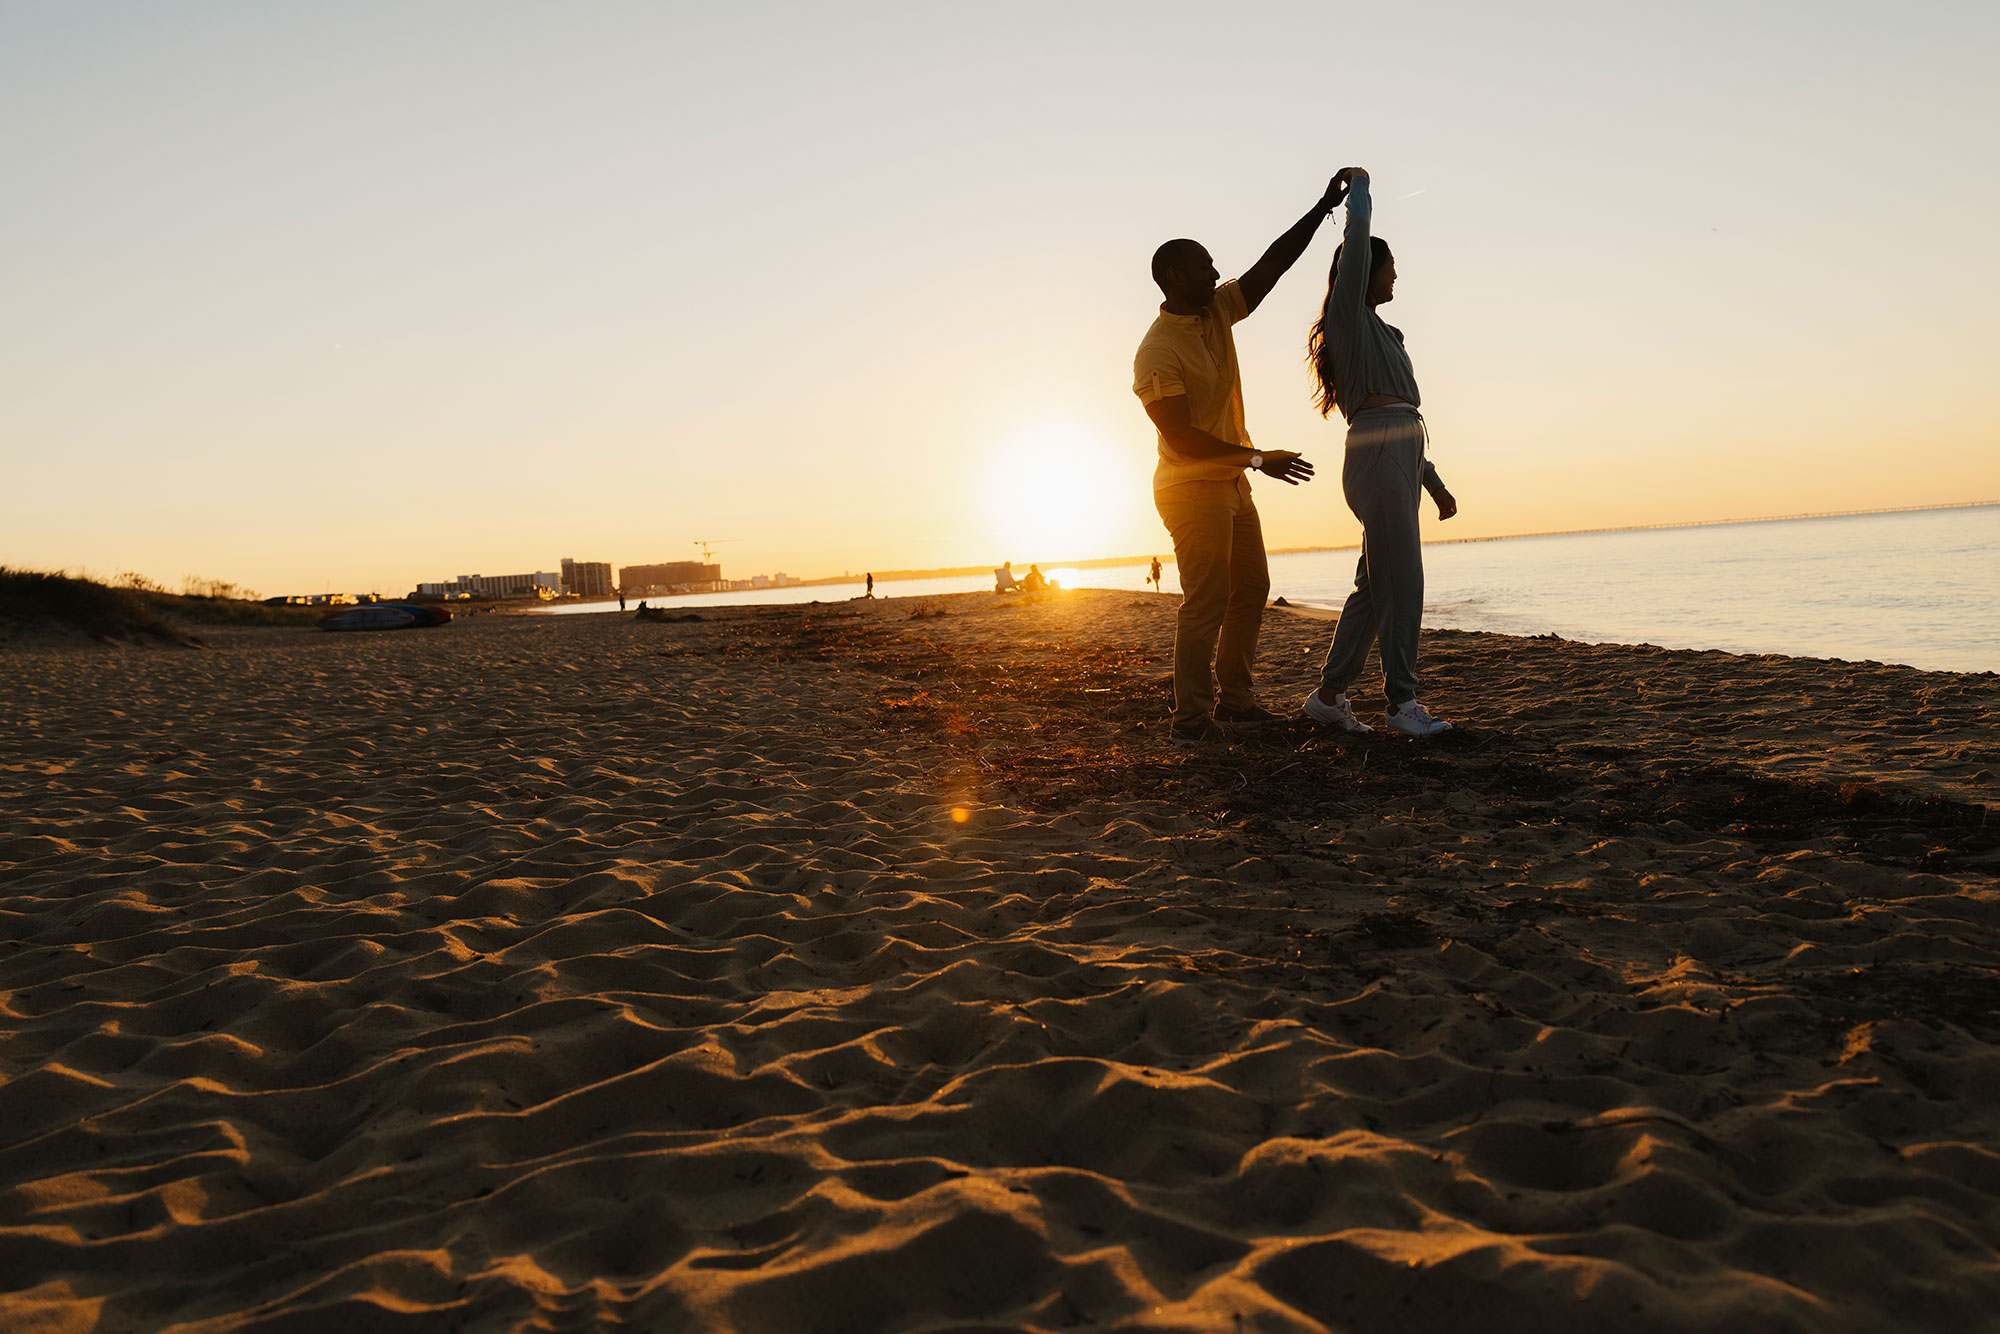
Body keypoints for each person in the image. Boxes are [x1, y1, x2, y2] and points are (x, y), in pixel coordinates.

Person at [1135, 176, 1339, 744]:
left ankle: (1237, 702)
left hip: (1231, 482)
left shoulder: (1217, 312)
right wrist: (1256, 459)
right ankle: (1191, 722)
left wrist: (1322, 206)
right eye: (1204, 266)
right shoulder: (1157, 350)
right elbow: (1181, 438)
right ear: (1174, 277)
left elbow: (1271, 266)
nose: (1215, 272)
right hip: (1189, 488)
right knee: (1206, 603)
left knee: (1251, 591)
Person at [1300, 167, 1459, 738]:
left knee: (1374, 589)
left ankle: (1328, 698)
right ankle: (1401, 705)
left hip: (1400, 455)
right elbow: (1358, 233)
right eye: (1389, 265)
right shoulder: (1347, 320)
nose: (1396, 274)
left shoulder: (1385, 333)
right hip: (1378, 456)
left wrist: (1434, 483)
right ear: (1366, 268)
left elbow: (1405, 418)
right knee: (1404, 581)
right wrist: (1361, 186)